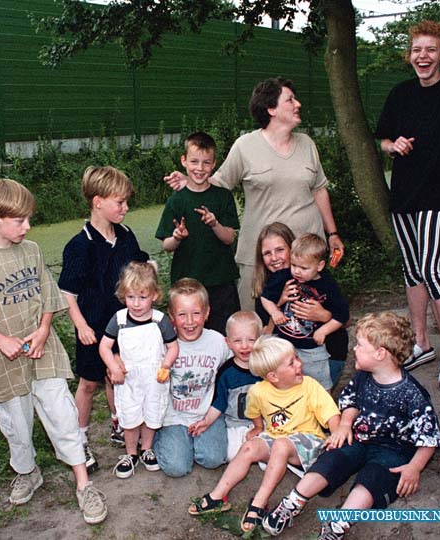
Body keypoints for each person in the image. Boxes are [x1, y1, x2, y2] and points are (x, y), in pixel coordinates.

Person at [0, 179, 107, 524]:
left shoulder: (32, 250)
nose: (27, 226)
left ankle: (84, 484)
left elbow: (49, 298)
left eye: (28, 219)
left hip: (43, 351)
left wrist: (44, 328)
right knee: (16, 425)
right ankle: (28, 472)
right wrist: (2, 340)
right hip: (2, 360)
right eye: (19, 220)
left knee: (63, 414)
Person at [165, 77, 344, 311]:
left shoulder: (307, 144)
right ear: (271, 109)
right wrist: (191, 180)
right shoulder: (245, 146)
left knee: (303, 321)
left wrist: (332, 233)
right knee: (253, 324)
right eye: (290, 99)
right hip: (259, 257)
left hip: (304, 255)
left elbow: (319, 190)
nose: (298, 104)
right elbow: (218, 182)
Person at [262, 312, 440, 539]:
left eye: (360, 345)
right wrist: (345, 424)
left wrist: (414, 467)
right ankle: (293, 502)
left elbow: (429, 436)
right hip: (359, 438)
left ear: (380, 353)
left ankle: (338, 525)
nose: (354, 349)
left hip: (394, 451)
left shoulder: (412, 394)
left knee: (371, 480)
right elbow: (351, 400)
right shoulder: (364, 376)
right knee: (331, 458)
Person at [375, 20, 440, 394]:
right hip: (403, 195)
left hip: (438, 198)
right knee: (411, 269)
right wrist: (393, 146)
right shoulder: (400, 94)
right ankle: (422, 343)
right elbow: (384, 141)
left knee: (431, 270)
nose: (423, 56)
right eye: (417, 50)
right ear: (410, 56)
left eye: (431, 50)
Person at [188, 336, 340, 534]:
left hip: (309, 442)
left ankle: (260, 502)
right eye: (292, 362)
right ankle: (218, 495)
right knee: (250, 447)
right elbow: (254, 411)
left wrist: (336, 435)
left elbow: (331, 414)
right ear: (273, 377)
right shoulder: (259, 391)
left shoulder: (309, 385)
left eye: (296, 358)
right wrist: (257, 427)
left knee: (281, 445)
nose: (299, 364)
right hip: (278, 437)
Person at [58, 166, 149, 470]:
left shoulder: (125, 235)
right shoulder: (79, 245)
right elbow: (67, 293)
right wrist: (81, 325)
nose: (126, 208)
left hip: (125, 325)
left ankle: (119, 423)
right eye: (119, 202)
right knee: (88, 383)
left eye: (126, 202)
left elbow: (139, 269)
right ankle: (79, 439)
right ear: (97, 201)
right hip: (93, 328)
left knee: (118, 374)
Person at [99, 261, 179, 478]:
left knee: (152, 413)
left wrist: (166, 365)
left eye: (142, 297)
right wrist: (114, 367)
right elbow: (104, 346)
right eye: (131, 297)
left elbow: (173, 347)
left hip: (154, 378)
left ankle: (147, 449)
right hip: (129, 379)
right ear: (123, 295)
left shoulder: (160, 320)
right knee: (131, 415)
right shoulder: (120, 320)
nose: (136, 303)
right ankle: (131, 453)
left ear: (154, 295)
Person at [155, 131, 240, 334]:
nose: (200, 168)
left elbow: (229, 238)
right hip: (187, 287)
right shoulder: (176, 201)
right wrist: (176, 237)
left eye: (206, 163)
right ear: (184, 161)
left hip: (221, 283)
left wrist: (214, 224)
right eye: (194, 162)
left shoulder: (223, 197)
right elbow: (166, 246)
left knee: (225, 336)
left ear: (214, 164)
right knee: (188, 337)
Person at [153, 278, 230, 477]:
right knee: (176, 468)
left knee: (213, 459)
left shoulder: (218, 341)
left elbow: (241, 359)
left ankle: (193, 444)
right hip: (173, 416)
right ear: (171, 316)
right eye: (182, 315)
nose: (189, 322)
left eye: (196, 313)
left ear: (207, 313)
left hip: (206, 414)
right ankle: (158, 437)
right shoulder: (162, 344)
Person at [260, 233, 349, 390]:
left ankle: (324, 413)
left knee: (320, 387)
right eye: (294, 265)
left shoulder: (327, 284)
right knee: (286, 386)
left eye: (304, 268)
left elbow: (342, 315)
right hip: (285, 346)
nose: (297, 272)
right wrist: (275, 311)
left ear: (319, 266)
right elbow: (265, 297)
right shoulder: (284, 276)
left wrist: (323, 330)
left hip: (312, 348)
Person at [186, 310, 263, 462]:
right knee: (230, 455)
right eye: (238, 341)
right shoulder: (226, 372)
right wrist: (206, 421)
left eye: (251, 340)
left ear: (260, 340)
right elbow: (219, 402)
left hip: (263, 422)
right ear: (228, 343)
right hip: (235, 424)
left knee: (273, 447)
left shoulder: (265, 367)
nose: (245, 346)